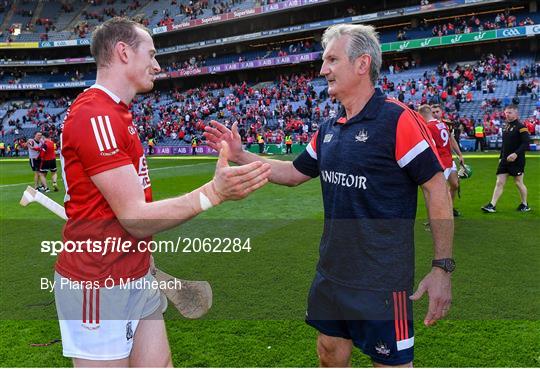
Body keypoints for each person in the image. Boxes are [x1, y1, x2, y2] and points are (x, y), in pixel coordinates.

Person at [205, 23, 453, 367]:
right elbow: (294, 173)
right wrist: (242, 155)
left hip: (383, 283)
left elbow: (436, 186)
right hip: (332, 274)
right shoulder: (329, 128)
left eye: (332, 60)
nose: (323, 70)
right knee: (329, 352)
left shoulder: (398, 120)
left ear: (362, 64)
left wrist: (442, 268)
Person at [56, 17, 270, 367]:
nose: (157, 65)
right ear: (123, 52)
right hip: (97, 284)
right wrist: (212, 193)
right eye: (151, 54)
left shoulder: (117, 114)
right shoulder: (97, 116)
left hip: (134, 271)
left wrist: (142, 257)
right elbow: (135, 218)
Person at [482, 104, 530, 213]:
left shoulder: (521, 127)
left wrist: (516, 154)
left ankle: (525, 204)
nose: (507, 115)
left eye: (510, 112)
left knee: (518, 182)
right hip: (504, 160)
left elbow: (526, 143)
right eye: (506, 113)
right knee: (499, 182)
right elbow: (505, 144)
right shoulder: (506, 126)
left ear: (516, 113)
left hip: (517, 160)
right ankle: (492, 205)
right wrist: (501, 157)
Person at [428, 104, 465, 217]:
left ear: (441, 112)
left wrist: (460, 155)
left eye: (437, 111)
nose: (435, 114)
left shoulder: (447, 124)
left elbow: (451, 140)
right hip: (439, 162)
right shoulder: (429, 125)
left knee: (454, 184)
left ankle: (450, 208)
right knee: (439, 190)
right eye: (433, 112)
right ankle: (436, 216)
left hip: (449, 159)